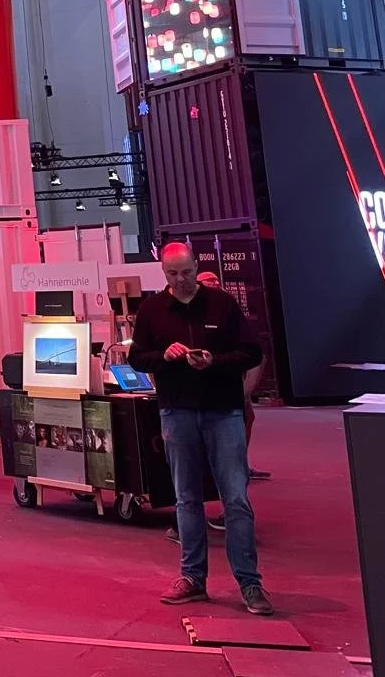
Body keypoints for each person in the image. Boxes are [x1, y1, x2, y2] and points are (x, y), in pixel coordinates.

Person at [131, 244, 272, 615]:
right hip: (176, 412)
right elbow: (137, 357)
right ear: (164, 273)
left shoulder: (223, 305)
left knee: (236, 499)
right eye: (172, 274)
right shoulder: (151, 310)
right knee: (186, 499)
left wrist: (215, 361)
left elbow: (252, 353)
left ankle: (250, 583)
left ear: (197, 266)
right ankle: (192, 578)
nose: (181, 280)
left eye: (186, 272)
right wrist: (164, 356)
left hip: (222, 413)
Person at [197, 271, 271, 483]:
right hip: (206, 390)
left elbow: (255, 354)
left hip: (231, 385)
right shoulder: (196, 313)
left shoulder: (228, 311)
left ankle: (239, 464)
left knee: (245, 420)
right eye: (209, 282)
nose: (214, 285)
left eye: (217, 282)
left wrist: (247, 390)